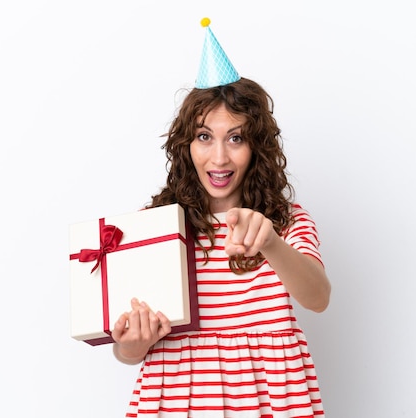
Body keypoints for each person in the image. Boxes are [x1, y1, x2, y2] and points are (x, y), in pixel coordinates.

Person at [111, 19, 331, 418]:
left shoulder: (285, 220)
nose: (219, 158)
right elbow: (128, 352)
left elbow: (318, 298)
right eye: (204, 136)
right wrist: (131, 342)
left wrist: (269, 243)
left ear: (256, 146)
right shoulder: (156, 227)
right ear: (185, 145)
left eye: (236, 137)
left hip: (269, 399)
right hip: (179, 398)